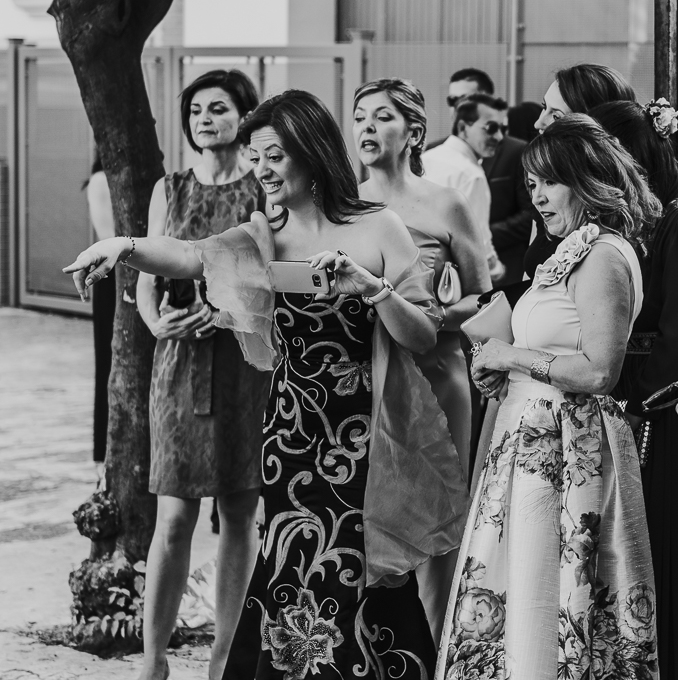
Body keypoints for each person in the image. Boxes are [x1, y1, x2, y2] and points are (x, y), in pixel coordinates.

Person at [65, 89, 469, 680]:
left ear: (311, 152)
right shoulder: (262, 237)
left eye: (274, 155)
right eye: (256, 157)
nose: (261, 169)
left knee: (359, 568)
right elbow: (185, 256)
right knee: (293, 559)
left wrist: (371, 289)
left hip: (365, 436)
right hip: (289, 437)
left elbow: (422, 335)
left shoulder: (378, 228)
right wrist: (120, 248)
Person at [436, 114, 660, 679]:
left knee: (543, 592)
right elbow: (551, 350)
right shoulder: (569, 251)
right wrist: (504, 373)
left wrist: (512, 358)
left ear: (586, 181)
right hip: (532, 439)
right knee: (519, 590)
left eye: (547, 182)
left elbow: (600, 370)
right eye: (530, 183)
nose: (535, 195)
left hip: (566, 449)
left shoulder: (605, 255)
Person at [126, 69, 270, 680]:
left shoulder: (263, 187)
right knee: (175, 516)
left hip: (245, 362)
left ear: (244, 115)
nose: (205, 120)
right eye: (195, 112)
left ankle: (223, 659)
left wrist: (231, 312)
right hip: (179, 364)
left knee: (239, 513)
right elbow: (145, 279)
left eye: (218, 108)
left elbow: (271, 278)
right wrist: (157, 324)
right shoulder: (171, 187)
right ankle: (152, 660)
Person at [352, 76, 491, 645]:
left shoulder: (444, 203)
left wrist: (431, 313)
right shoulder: (341, 203)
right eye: (359, 116)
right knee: (368, 514)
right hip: (361, 377)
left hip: (435, 375)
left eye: (381, 116)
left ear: (413, 132)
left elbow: (485, 297)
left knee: (439, 522)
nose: (365, 126)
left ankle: (437, 652)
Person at [589, 99, 678, 680]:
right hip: (596, 405)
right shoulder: (598, 227)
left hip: (653, 414)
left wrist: (634, 404)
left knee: (655, 556)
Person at [523, 64, 637, 279]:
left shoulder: (618, 226)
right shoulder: (544, 199)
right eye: (543, 107)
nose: (539, 122)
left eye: (556, 116)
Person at [421, 92, 507, 282]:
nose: (499, 136)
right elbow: (480, 243)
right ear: (462, 127)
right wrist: (497, 270)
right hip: (451, 279)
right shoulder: (471, 175)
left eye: (503, 128)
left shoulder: (425, 158)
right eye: (491, 128)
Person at [85, 152, 115, 483]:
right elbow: (110, 233)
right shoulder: (100, 180)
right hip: (111, 275)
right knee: (107, 364)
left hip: (134, 269)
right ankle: (102, 457)